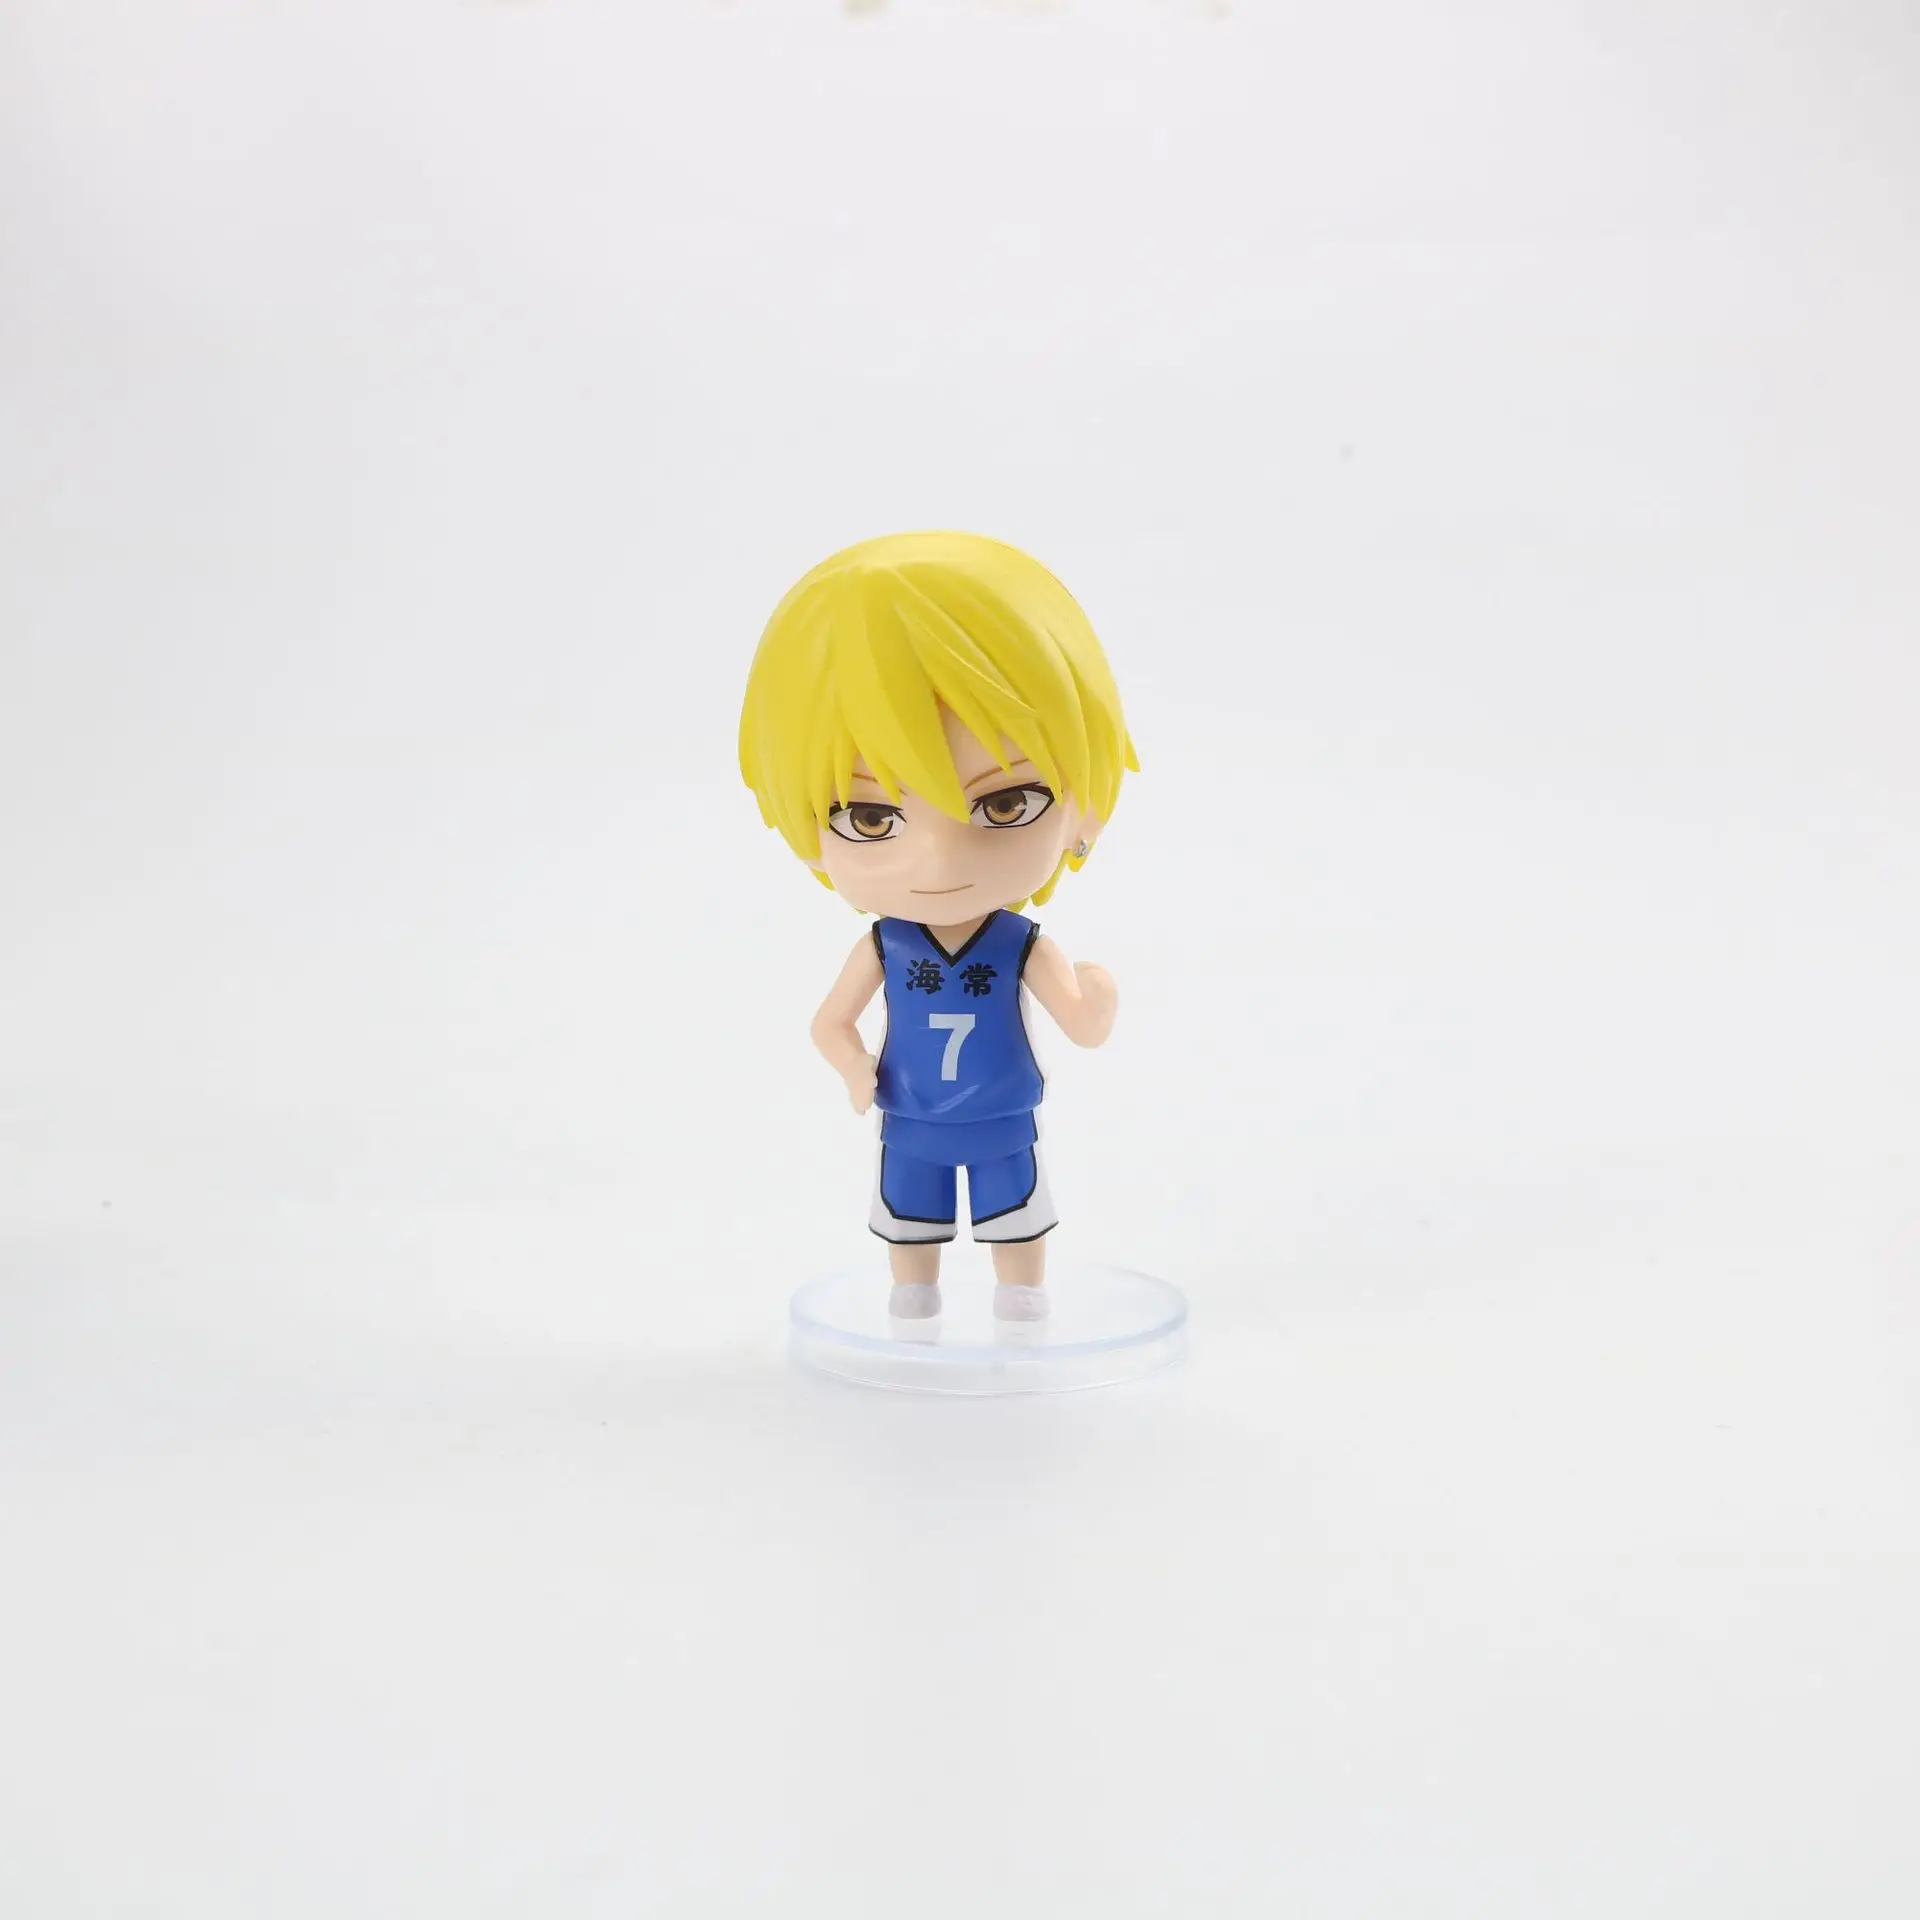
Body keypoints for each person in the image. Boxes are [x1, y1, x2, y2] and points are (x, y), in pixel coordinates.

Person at [738, 532, 1136, 1323]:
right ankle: (912, 1300)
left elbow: (1081, 1024)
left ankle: (1022, 1300)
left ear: (1083, 810)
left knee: (1016, 1230)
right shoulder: (886, 947)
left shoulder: (1020, 946)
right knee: (910, 1239)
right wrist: (855, 1069)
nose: (940, 856)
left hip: (1001, 1119)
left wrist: (1095, 1002)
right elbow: (828, 1023)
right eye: (871, 816)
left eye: (1005, 803)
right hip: (910, 1117)